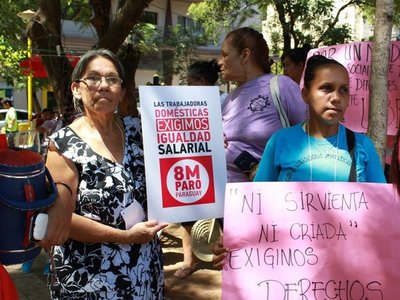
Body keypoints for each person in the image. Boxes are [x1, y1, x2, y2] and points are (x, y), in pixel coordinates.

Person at [212, 55, 386, 268]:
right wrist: (232, 243)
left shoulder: (362, 146)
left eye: (343, 90)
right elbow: (256, 209)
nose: (336, 97)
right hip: (291, 272)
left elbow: (381, 214)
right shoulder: (281, 141)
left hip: (346, 273)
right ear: (305, 94)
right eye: (326, 88)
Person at [44, 49, 167, 298]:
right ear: (76, 88)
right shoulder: (63, 145)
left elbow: (178, 163)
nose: (103, 86)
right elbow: (61, 220)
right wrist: (126, 237)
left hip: (143, 267)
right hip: (89, 278)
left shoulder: (140, 132)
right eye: (93, 78)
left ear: (121, 91)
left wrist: (212, 144)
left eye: (112, 79)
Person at [219, 27, 307, 183]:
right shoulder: (229, 99)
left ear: (245, 55)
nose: (220, 62)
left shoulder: (281, 86)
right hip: (227, 197)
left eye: (225, 55)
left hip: (266, 198)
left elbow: (310, 138)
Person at [173, 59, 222, 280]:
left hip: (220, 169)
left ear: (201, 81)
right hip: (193, 166)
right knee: (187, 213)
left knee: (225, 217)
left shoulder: (225, 101)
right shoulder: (186, 104)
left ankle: (227, 260)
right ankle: (189, 260)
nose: (187, 87)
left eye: (190, 82)